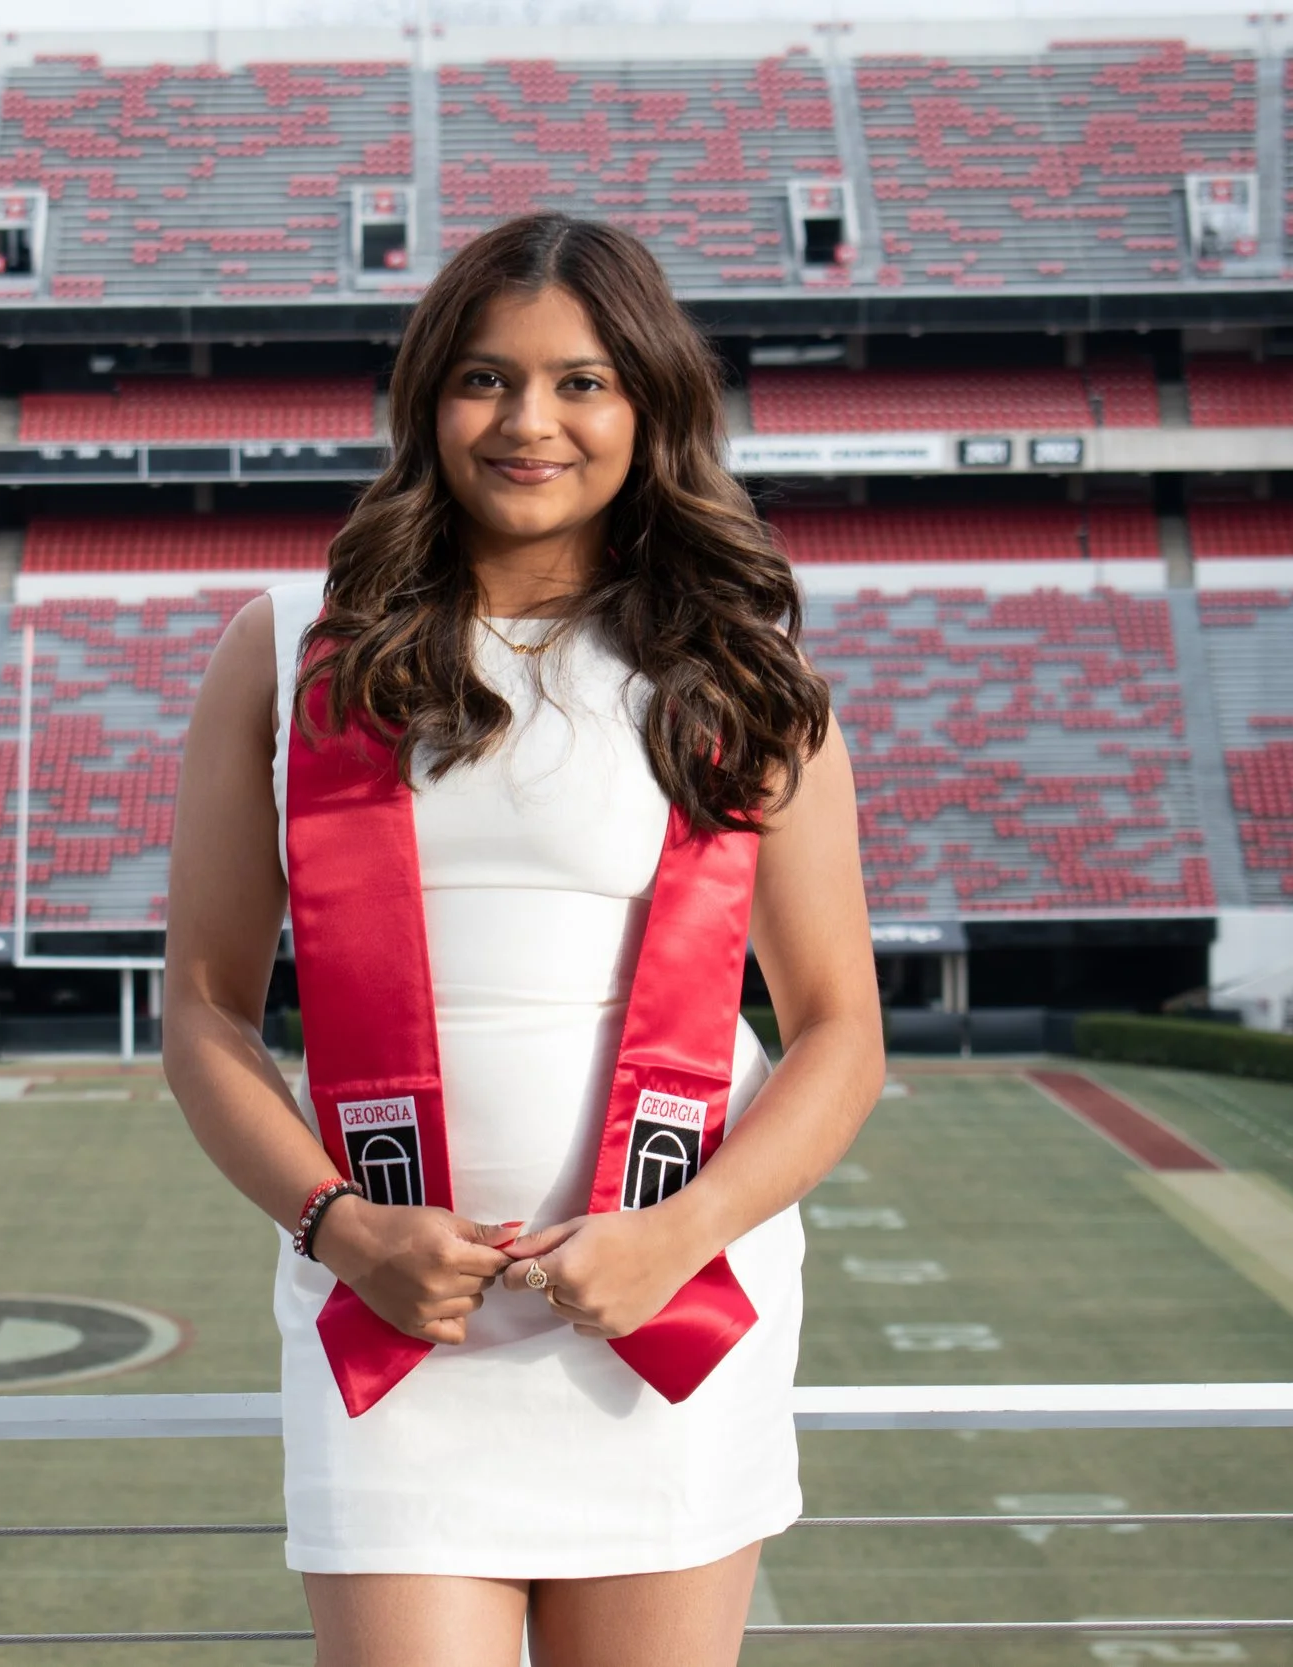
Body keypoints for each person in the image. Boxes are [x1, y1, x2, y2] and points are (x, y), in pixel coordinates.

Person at [162, 212, 884, 1667]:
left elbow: (838, 1029)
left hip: (662, 1324)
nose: (529, 421)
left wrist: (678, 1235)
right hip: (391, 1328)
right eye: (487, 378)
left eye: (583, 381)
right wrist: (341, 1228)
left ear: (650, 405)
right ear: (430, 396)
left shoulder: (741, 662)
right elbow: (202, 1012)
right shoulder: (293, 644)